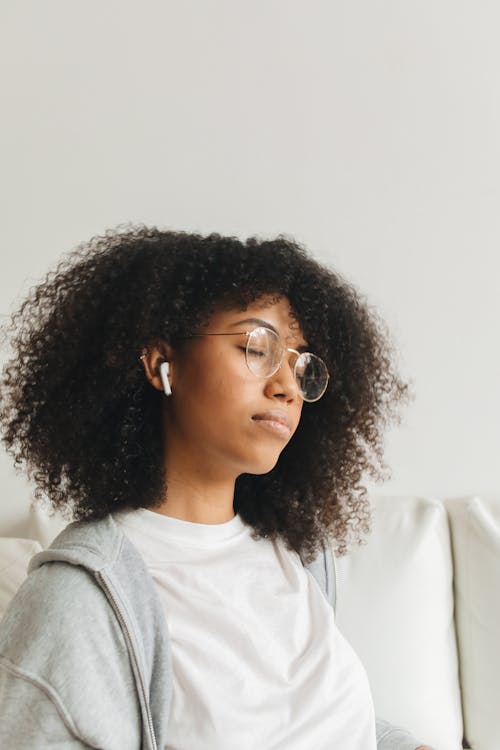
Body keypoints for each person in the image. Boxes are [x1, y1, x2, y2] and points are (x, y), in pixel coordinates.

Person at [0, 226, 432, 749]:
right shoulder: (80, 600)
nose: (287, 386)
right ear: (162, 362)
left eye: (302, 365)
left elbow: (329, 728)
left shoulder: (299, 554)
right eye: (256, 346)